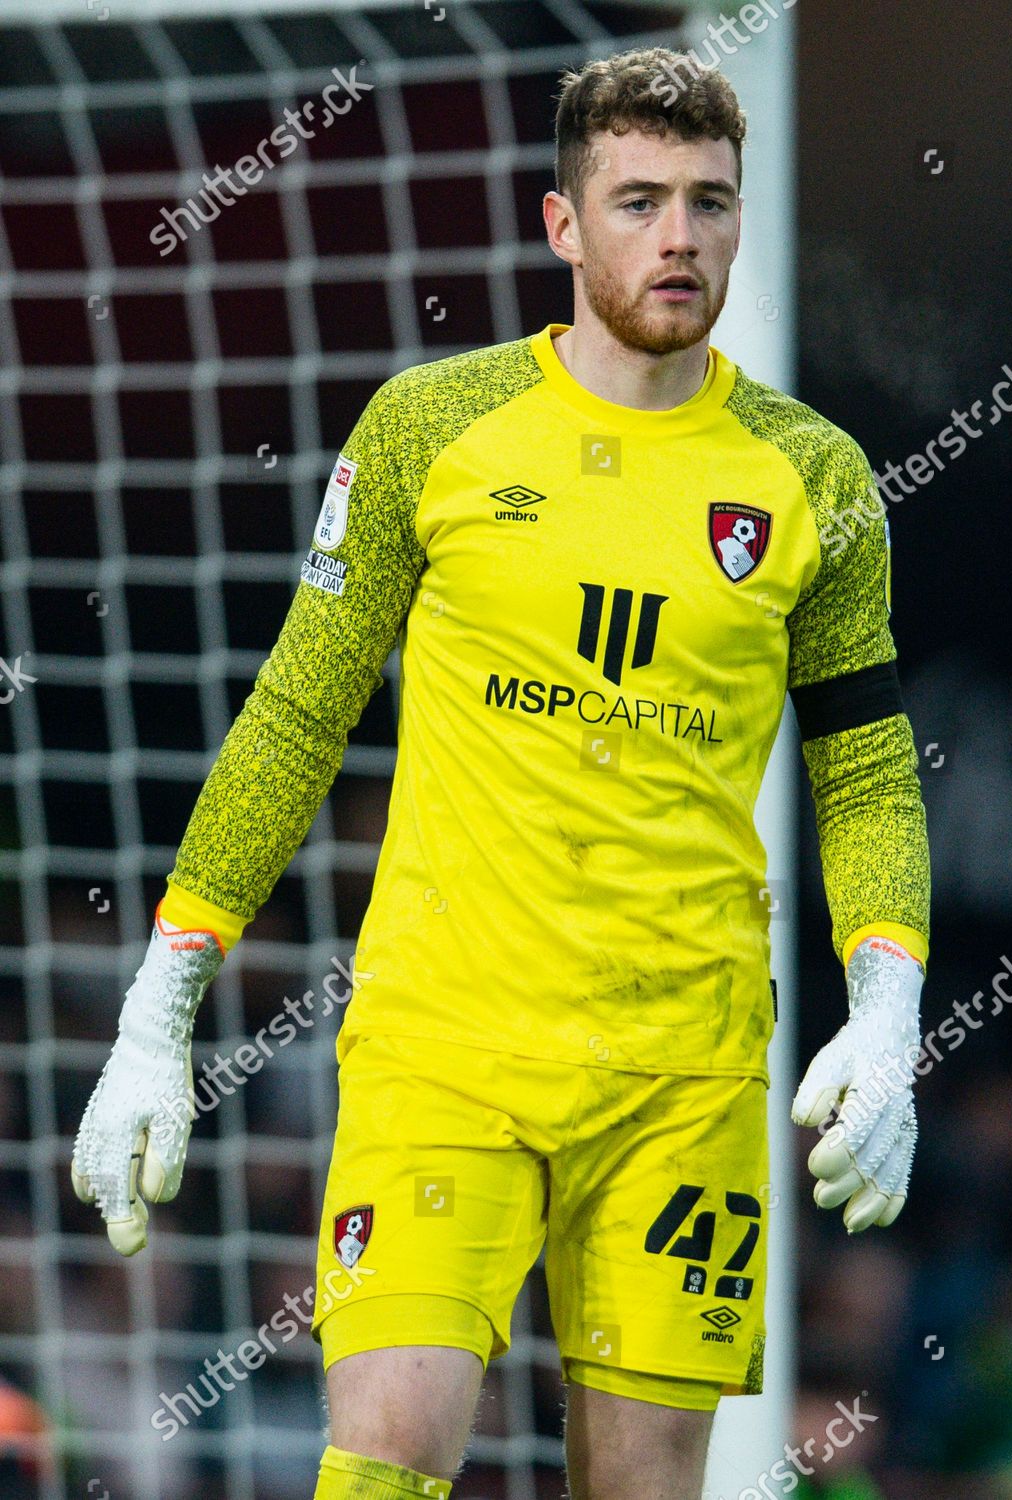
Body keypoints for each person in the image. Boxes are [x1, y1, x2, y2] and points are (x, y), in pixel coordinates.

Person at [70, 47, 930, 1500]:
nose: (680, 237)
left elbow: (867, 774)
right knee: (387, 1460)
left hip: (686, 1064)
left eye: (710, 203)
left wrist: (891, 1003)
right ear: (559, 224)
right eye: (640, 200)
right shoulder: (432, 428)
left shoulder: (816, 476)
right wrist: (163, 1007)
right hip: (442, 1047)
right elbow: (293, 719)